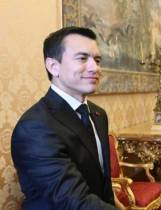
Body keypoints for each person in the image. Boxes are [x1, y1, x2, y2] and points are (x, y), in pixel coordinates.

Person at [11, 26, 118, 210]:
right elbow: (74, 203)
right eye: (82, 58)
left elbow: (102, 182)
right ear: (53, 66)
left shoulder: (98, 114)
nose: (95, 68)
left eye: (97, 60)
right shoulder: (34, 128)